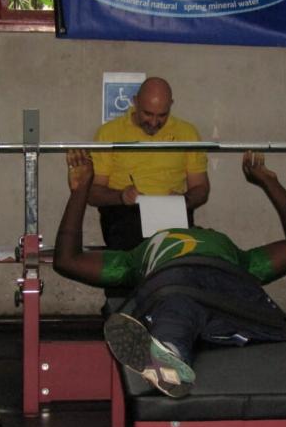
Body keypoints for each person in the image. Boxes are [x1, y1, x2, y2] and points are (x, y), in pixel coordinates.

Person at [54, 149, 286, 397]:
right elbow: (67, 260)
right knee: (180, 306)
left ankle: (171, 351)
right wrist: (80, 191)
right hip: (176, 283)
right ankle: (170, 356)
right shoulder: (135, 254)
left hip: (230, 287)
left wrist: (268, 181)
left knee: (253, 315)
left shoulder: (233, 251)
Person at [89, 77, 210, 313]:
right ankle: (123, 311)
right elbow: (93, 194)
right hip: (125, 212)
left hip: (172, 212)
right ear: (135, 102)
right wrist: (121, 196)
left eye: (162, 116)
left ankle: (172, 314)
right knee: (132, 245)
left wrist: (185, 200)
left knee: (184, 252)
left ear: (172, 106)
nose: (154, 122)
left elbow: (201, 189)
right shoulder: (109, 133)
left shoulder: (187, 133)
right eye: (147, 114)